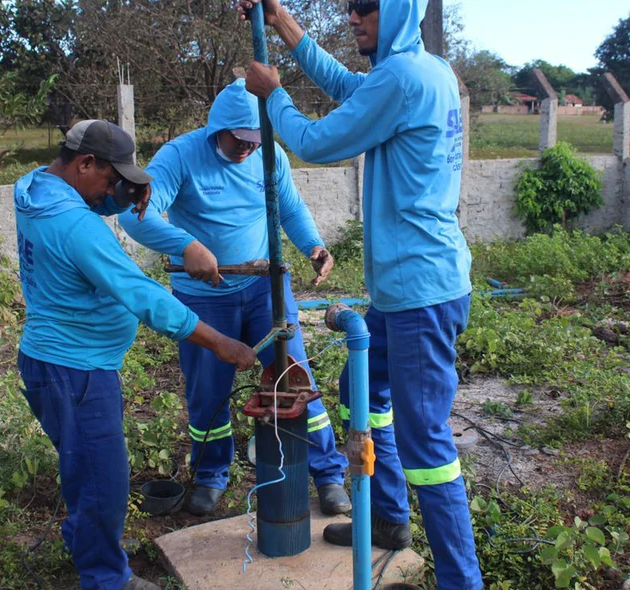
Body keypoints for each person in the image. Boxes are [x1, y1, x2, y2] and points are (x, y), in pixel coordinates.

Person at [238, 1, 483, 588]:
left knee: (427, 443)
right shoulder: (425, 69)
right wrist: (282, 22)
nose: (353, 17)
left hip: (420, 293)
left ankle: (461, 579)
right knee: (360, 387)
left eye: (367, 8)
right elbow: (350, 86)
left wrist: (273, 95)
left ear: (399, 10)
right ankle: (390, 518)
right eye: (350, 8)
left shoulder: (401, 78)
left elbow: (317, 142)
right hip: (407, 290)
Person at [14, 119, 257, 590]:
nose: (113, 191)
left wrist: (124, 194)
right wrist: (220, 342)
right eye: (110, 179)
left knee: (83, 467)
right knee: (105, 482)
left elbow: (83, 202)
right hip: (76, 370)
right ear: (85, 163)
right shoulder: (76, 226)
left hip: (49, 361)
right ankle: (107, 578)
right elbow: (144, 296)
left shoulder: (34, 189)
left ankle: (83, 543)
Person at [117, 79, 351, 517]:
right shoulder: (180, 157)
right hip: (204, 297)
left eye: (254, 140)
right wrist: (186, 246)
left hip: (266, 289)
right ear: (216, 130)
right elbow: (137, 216)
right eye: (239, 139)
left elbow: (291, 208)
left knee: (294, 379)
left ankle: (327, 475)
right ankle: (210, 477)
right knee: (209, 391)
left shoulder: (269, 155)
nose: (247, 148)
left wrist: (314, 246)